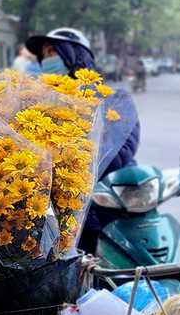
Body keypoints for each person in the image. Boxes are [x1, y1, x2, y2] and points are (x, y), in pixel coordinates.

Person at [24, 28, 142, 252]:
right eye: (44, 54)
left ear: (74, 55)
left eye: (53, 51)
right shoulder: (35, 102)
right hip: (54, 216)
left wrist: (73, 166)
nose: (47, 59)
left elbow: (121, 150)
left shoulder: (113, 98)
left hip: (107, 207)